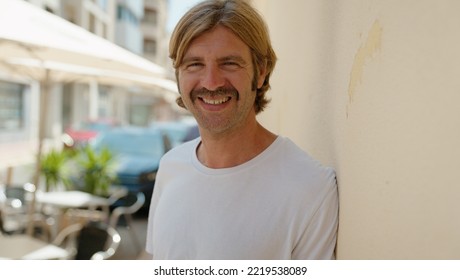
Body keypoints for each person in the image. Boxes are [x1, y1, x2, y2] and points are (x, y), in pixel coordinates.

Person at [146, 0, 338, 260]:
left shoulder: (309, 187)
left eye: (230, 63)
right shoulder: (170, 166)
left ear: (260, 72)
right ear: (179, 75)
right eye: (194, 65)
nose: (211, 82)